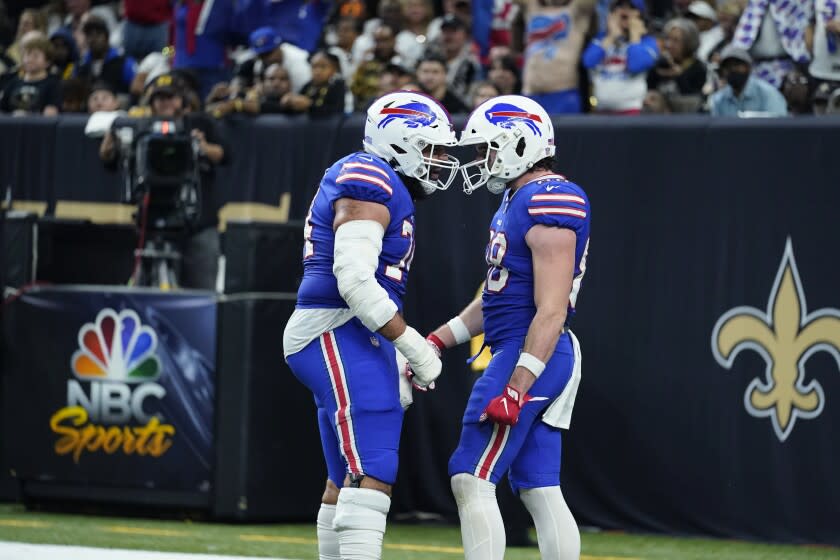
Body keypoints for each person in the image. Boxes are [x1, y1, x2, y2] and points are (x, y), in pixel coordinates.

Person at [282, 90, 459, 560]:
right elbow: (354, 278)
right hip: (335, 326)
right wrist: (414, 345)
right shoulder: (370, 175)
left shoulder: (376, 176)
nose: (441, 161)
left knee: (344, 476)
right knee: (375, 465)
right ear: (401, 141)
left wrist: (396, 350)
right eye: (434, 148)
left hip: (347, 331)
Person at [425, 94, 590, 560]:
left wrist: (517, 385)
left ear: (520, 143)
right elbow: (495, 296)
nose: (482, 160)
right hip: (527, 348)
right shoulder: (519, 197)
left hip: (532, 352)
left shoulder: (550, 198)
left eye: (488, 148)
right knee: (539, 487)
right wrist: (440, 339)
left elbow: (552, 309)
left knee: (470, 475)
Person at [99, 73, 229, 289]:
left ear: (183, 100)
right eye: (159, 98)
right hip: (153, 222)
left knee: (201, 293)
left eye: (171, 97)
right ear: (151, 102)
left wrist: (204, 148)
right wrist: (108, 151)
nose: (165, 103)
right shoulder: (141, 127)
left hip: (196, 221)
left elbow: (226, 155)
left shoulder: (199, 123)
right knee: (143, 292)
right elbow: (113, 163)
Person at [708, 46, 788, 117]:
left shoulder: (768, 94)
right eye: (728, 66)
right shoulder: (719, 99)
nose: (732, 69)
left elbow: (780, 127)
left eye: (737, 65)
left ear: (748, 67)